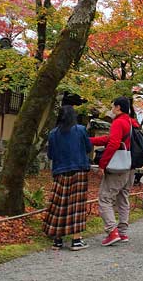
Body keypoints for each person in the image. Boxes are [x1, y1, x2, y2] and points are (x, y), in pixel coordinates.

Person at [43, 105, 93, 251]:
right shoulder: (81, 130)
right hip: (79, 170)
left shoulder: (53, 133)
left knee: (60, 204)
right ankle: (76, 240)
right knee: (76, 205)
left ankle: (57, 241)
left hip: (60, 171)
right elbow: (89, 148)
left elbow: (50, 155)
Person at [90, 96, 138, 246]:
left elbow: (113, 143)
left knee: (105, 198)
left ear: (118, 107)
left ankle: (112, 231)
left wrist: (103, 164)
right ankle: (122, 232)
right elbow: (111, 139)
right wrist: (91, 140)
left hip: (118, 166)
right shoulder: (132, 123)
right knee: (123, 198)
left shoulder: (119, 122)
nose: (111, 109)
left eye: (113, 106)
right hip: (131, 165)